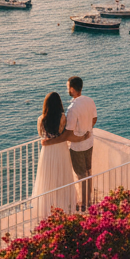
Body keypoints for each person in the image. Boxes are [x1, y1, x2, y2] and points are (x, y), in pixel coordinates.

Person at [31, 92, 82, 219]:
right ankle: (64, 206)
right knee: (62, 175)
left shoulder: (41, 119)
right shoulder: (62, 117)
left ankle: (48, 209)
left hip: (47, 151)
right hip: (60, 148)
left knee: (48, 177)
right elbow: (63, 133)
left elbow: (41, 134)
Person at [66, 76, 97, 212]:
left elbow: (69, 131)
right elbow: (94, 118)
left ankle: (84, 205)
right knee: (88, 171)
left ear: (72, 89)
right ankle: (89, 200)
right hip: (89, 142)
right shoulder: (89, 101)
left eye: (67, 87)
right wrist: (87, 129)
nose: (67, 89)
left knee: (81, 175)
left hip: (77, 146)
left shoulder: (73, 107)